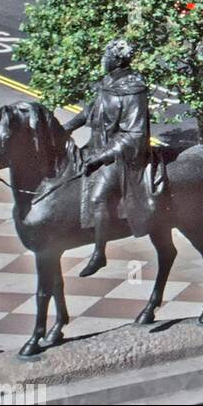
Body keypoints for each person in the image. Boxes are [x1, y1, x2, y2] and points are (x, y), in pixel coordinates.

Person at [66, 39, 152, 278]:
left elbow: (134, 134)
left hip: (119, 156)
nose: (103, 59)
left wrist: (101, 157)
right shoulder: (107, 82)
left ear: (118, 60)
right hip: (95, 147)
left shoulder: (133, 91)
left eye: (107, 56)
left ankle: (99, 253)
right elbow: (89, 110)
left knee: (98, 196)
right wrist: (67, 126)